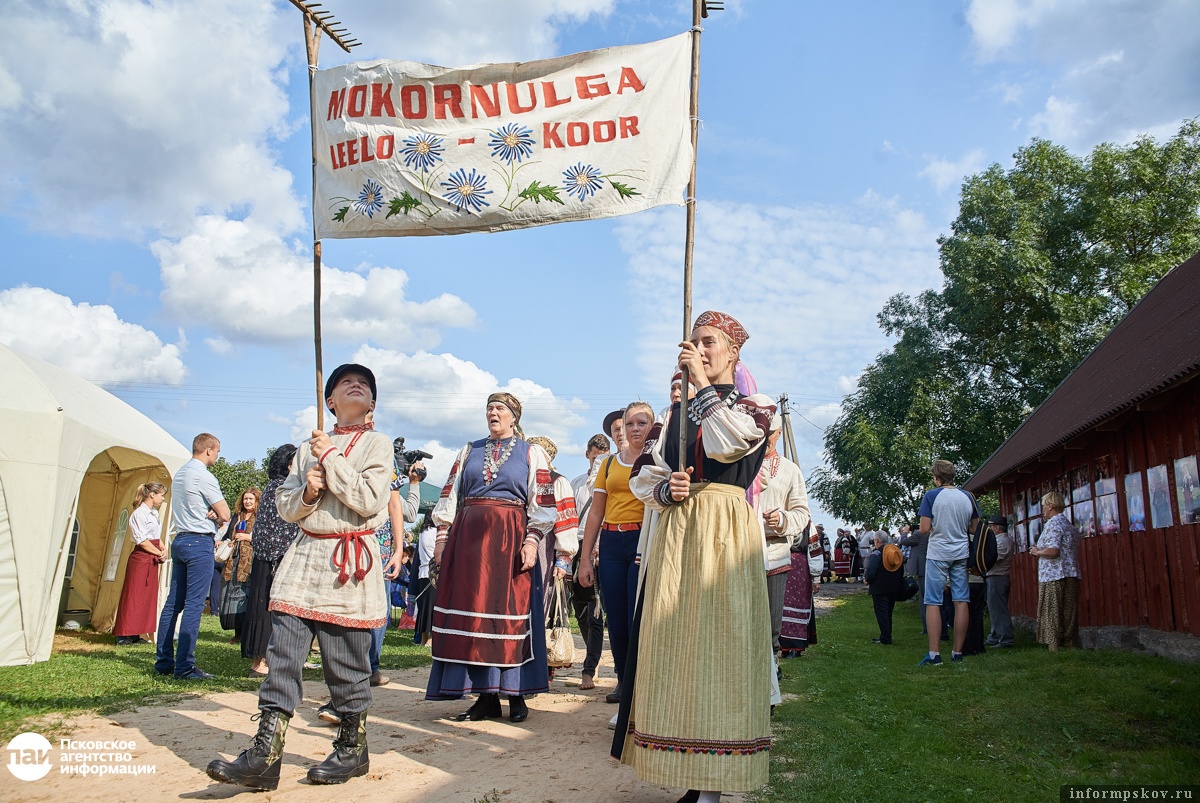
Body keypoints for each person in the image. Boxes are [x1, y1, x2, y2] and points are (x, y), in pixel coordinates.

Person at [207, 363, 392, 789]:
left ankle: (352, 748)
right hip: (305, 554)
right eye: (346, 381)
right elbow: (286, 508)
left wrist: (330, 456)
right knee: (284, 652)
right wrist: (308, 489)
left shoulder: (377, 444)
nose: (357, 384)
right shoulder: (306, 450)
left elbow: (366, 499)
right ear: (330, 401)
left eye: (365, 384)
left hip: (350, 559)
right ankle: (265, 754)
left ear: (372, 404)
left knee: (345, 661)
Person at [616, 310, 776, 802]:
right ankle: (689, 771)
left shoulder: (755, 406)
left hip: (725, 533)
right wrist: (669, 485)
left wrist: (703, 385)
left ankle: (718, 781)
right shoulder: (675, 420)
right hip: (679, 534)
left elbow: (731, 445)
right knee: (677, 650)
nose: (699, 349)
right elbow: (642, 475)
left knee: (722, 651)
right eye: (694, 342)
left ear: (733, 352)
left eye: (710, 342)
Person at [425, 392, 556, 723]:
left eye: (500, 409)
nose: (493, 413)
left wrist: (531, 541)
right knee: (474, 619)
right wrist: (442, 538)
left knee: (508, 612)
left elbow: (542, 503)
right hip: (468, 542)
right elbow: (450, 493)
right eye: (489, 408)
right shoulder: (470, 450)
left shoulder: (531, 452)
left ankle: (516, 696)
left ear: (514, 417)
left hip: (509, 541)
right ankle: (485, 698)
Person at [578, 402, 653, 711]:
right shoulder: (608, 464)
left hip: (642, 540)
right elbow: (595, 512)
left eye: (641, 422)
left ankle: (642, 681)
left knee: (637, 615)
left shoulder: (656, 461)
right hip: (610, 541)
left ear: (651, 427)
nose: (635, 428)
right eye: (630, 423)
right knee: (616, 619)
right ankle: (623, 681)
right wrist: (585, 559)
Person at [155, 433, 230, 680]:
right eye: (217, 451)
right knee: (194, 605)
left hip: (181, 539)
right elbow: (226, 513)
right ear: (208, 450)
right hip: (199, 541)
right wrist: (217, 515)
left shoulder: (180, 474)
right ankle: (185, 666)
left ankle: (164, 661)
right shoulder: (204, 476)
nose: (217, 456)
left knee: (172, 604)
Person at [757, 413, 812, 657]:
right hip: (737, 551)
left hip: (775, 550)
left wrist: (782, 519)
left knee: (771, 622)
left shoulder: (791, 471)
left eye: (769, 433)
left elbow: (802, 513)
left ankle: (771, 668)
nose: (764, 438)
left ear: (778, 433)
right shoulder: (738, 464)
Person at [242, 445, 299, 677]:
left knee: (264, 606)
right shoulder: (283, 487)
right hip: (276, 557)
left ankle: (266, 658)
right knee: (270, 608)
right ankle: (262, 660)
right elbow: (285, 526)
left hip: (265, 556)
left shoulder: (270, 486)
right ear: (288, 464)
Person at [917, 460, 980, 666]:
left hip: (938, 553)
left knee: (933, 601)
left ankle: (934, 654)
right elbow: (974, 528)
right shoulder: (967, 496)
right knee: (961, 599)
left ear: (936, 477)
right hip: (961, 552)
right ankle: (957, 652)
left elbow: (925, 528)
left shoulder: (931, 496)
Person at [569, 433, 610, 691]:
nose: (598, 462)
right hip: (576, 547)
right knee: (579, 608)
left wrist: (596, 547)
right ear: (588, 455)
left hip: (600, 548)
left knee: (596, 611)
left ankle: (588, 668)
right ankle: (590, 656)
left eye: (602, 458)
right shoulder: (575, 483)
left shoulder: (608, 481)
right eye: (595, 457)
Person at [114, 482, 167, 645]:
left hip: (152, 557)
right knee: (134, 595)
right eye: (161, 495)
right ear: (152, 494)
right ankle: (123, 634)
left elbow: (156, 536)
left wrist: (163, 548)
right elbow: (142, 540)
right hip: (141, 559)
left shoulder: (153, 514)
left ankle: (136, 632)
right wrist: (158, 552)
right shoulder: (139, 514)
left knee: (146, 597)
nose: (162, 498)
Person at [1030, 491, 1081, 652]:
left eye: (1044, 506)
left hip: (1053, 574)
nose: (1043, 510)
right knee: (1068, 611)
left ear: (1050, 506)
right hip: (1071, 572)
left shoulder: (1053, 524)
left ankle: (1054, 648)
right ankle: (1070, 645)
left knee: (1051, 611)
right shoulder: (1068, 524)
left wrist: (1037, 552)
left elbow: (1053, 551)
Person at [217, 487, 260, 644]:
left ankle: (248, 633)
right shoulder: (238, 516)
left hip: (251, 560)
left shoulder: (260, 516)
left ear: (256, 501)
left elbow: (263, 536)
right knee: (233, 593)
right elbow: (229, 533)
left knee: (247, 594)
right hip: (234, 559)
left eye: (251, 499)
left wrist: (249, 537)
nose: (247, 501)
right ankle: (238, 633)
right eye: (245, 499)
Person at [778, 522, 823, 658]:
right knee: (781, 605)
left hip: (800, 568)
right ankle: (783, 646)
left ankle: (796, 647)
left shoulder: (808, 525)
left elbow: (814, 551)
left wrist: (816, 578)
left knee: (798, 604)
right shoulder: (783, 519)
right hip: (783, 564)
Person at [865, 531, 904, 645]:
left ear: (877, 541)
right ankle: (885, 636)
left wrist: (867, 580)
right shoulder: (895, 552)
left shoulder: (877, 554)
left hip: (879, 588)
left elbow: (871, 572)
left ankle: (886, 638)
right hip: (893, 587)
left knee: (882, 613)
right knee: (888, 612)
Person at [984, 514, 1016, 649]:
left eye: (991, 526)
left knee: (999, 610)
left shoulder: (1002, 542)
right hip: (995, 577)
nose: (989, 529)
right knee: (994, 609)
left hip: (997, 577)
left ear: (997, 528)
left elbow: (992, 558)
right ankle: (995, 636)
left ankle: (1005, 639)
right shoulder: (1002, 540)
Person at [899, 519, 929, 633]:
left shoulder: (920, 534)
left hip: (922, 569)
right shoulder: (930, 533)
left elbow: (904, 541)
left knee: (924, 599)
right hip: (928, 567)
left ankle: (927, 627)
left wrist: (906, 532)